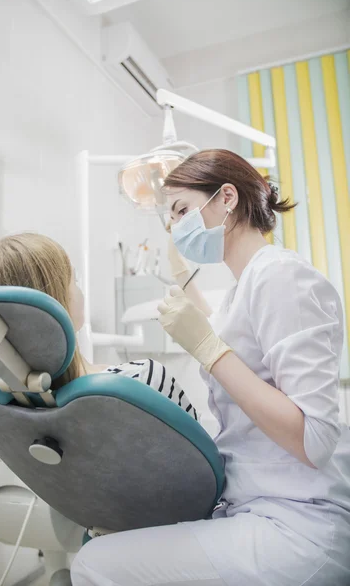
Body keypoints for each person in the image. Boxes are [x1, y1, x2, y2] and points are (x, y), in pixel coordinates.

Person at [71, 149, 350, 586]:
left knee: (92, 563)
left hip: (299, 523)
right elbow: (229, 328)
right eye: (171, 218)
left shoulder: (281, 277)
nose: (176, 225)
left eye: (182, 209)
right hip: (258, 506)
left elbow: (314, 439)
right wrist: (181, 278)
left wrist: (207, 349)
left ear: (226, 197)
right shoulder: (249, 284)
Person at [0, 233, 197, 420]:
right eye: (73, 280)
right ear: (53, 307)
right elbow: (205, 466)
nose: (79, 289)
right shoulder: (142, 379)